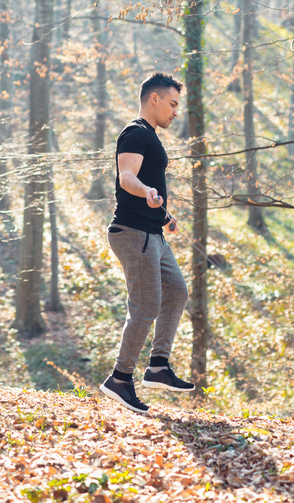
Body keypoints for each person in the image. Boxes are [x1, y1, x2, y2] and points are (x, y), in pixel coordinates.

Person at [99, 72, 195, 414]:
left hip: (152, 231)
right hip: (132, 232)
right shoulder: (135, 132)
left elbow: (146, 182)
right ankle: (120, 379)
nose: (174, 112)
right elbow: (126, 177)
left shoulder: (150, 136)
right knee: (146, 306)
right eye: (171, 104)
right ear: (153, 98)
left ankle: (158, 367)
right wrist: (147, 192)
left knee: (177, 291)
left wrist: (164, 214)